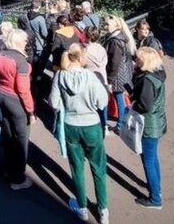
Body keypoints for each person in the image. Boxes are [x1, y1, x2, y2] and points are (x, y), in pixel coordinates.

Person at [49, 43, 110, 223]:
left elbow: (53, 102)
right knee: (98, 167)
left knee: (77, 168)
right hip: (91, 125)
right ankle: (103, 210)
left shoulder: (60, 75)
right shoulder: (91, 77)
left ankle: (82, 208)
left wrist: (67, 107)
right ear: (83, 57)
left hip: (70, 125)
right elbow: (102, 103)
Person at [0, 29, 35, 190]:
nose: (26, 43)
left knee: (8, 135)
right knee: (22, 139)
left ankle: (8, 170)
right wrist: (30, 110)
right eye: (24, 41)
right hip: (16, 101)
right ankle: (18, 179)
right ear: (18, 42)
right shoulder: (22, 62)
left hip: (2, 95)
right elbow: (23, 89)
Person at [131, 47, 167, 210]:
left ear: (144, 61)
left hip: (148, 125)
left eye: (138, 59)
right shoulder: (157, 75)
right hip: (157, 122)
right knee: (153, 158)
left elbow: (144, 105)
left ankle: (155, 199)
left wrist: (132, 103)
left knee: (148, 162)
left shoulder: (146, 80)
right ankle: (156, 186)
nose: (135, 61)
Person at [104, 15, 137, 130]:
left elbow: (114, 62)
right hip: (123, 73)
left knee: (119, 98)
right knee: (121, 98)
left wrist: (110, 80)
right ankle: (122, 122)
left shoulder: (115, 41)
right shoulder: (122, 37)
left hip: (117, 75)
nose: (106, 26)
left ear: (116, 25)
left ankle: (121, 125)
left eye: (108, 24)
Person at [85, 26, 110, 136]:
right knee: (103, 104)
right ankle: (105, 126)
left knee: (92, 106)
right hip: (102, 78)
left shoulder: (85, 51)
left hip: (90, 82)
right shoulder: (102, 49)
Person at [27, 1, 48, 81]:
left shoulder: (26, 16)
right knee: (38, 63)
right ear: (38, 7)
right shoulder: (40, 18)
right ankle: (37, 80)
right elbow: (44, 33)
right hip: (39, 44)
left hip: (29, 42)